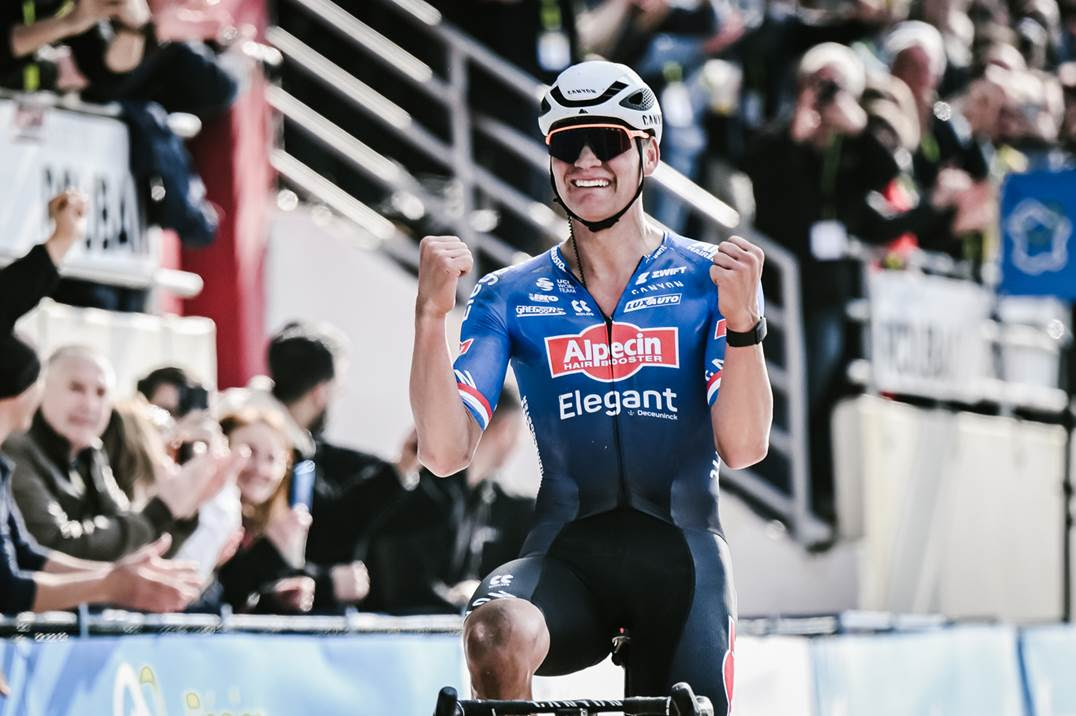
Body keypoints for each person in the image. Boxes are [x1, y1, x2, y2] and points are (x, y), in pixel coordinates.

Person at [410, 60, 771, 712]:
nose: (584, 161)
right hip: (569, 556)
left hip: (682, 559)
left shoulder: (708, 280)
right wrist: (430, 318)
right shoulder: (508, 295)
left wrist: (744, 326)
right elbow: (443, 452)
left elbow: (744, 447)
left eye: (605, 141)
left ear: (649, 154)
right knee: (493, 633)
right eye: (564, 145)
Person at [3, 345, 235, 561]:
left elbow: (132, 549)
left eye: (101, 392)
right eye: (76, 388)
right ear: (41, 391)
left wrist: (184, 512)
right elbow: (55, 549)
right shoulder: (15, 451)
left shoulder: (91, 453)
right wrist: (163, 508)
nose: (90, 405)